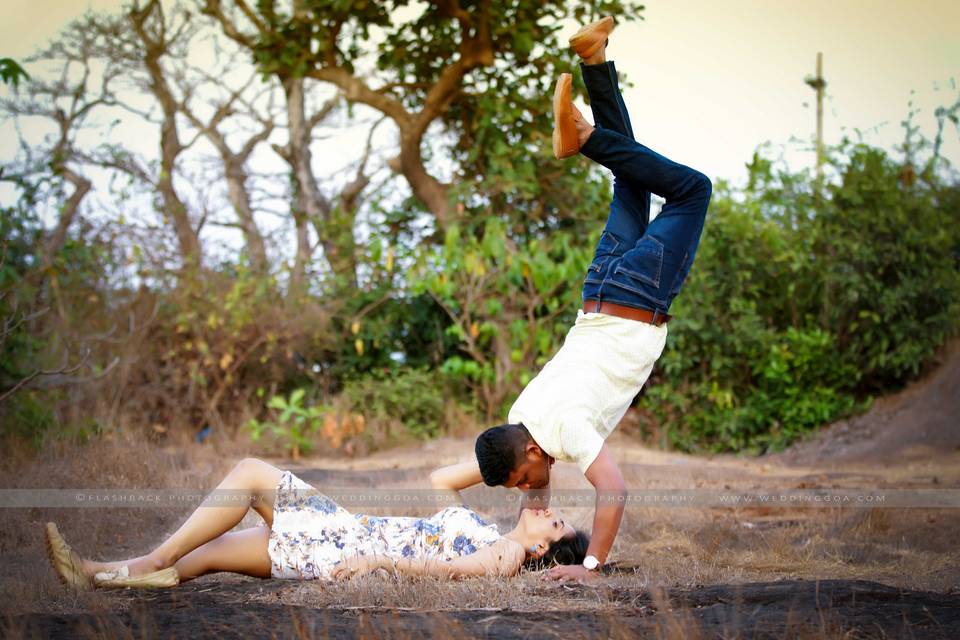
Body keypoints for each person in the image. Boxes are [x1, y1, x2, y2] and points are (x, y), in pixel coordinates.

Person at [433, 16, 713, 581]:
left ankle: (584, 138)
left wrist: (591, 564)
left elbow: (614, 490)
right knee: (629, 179)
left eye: (522, 486)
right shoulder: (520, 418)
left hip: (638, 294)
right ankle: (594, 62)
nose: (533, 499)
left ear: (529, 458)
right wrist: (498, 535)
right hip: (599, 286)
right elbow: (502, 479)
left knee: (693, 190)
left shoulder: (567, 436)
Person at [44, 458, 588, 589]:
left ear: (541, 552)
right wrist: (521, 455)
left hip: (347, 545)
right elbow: (443, 478)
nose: (545, 511)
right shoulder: (491, 529)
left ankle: (152, 562)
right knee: (209, 554)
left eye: (555, 523)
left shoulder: (506, 556)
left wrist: (378, 559)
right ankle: (98, 574)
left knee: (253, 473)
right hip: (342, 538)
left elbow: (450, 571)